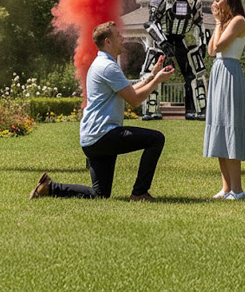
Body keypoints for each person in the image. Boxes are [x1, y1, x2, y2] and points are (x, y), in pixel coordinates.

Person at [30, 21, 174, 201]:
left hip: (93, 139)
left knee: (100, 194)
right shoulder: (108, 67)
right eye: (118, 35)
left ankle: (49, 188)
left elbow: (129, 91)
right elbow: (135, 100)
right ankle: (139, 193)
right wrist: (157, 81)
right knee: (156, 139)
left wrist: (152, 76)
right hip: (103, 136)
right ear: (108, 42)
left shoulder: (103, 64)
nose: (122, 38)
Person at [203, 0, 245, 200]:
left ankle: (237, 190)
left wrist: (218, 23)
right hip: (218, 71)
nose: (214, 4)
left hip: (230, 73)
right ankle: (226, 188)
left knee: (230, 127)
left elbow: (219, 46)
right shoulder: (223, 23)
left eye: (217, 0)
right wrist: (218, 23)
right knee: (219, 128)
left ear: (229, 0)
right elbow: (211, 51)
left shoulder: (238, 21)